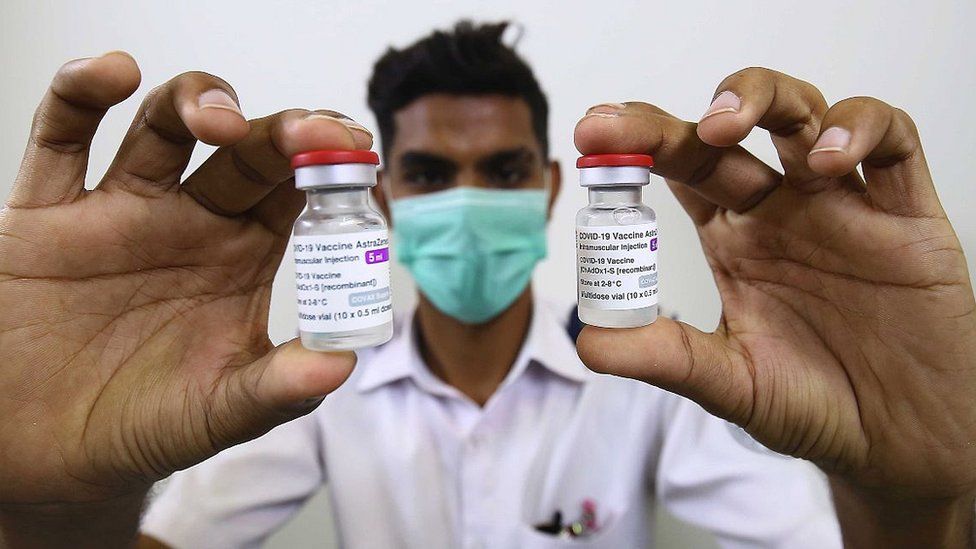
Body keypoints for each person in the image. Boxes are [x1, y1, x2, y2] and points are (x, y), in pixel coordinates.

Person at [0, 20, 973, 549]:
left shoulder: (654, 373)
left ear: (552, 189)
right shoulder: (307, 385)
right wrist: (55, 519)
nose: (467, 203)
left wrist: (903, 510)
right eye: (427, 174)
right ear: (380, 197)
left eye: (504, 171)